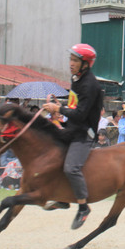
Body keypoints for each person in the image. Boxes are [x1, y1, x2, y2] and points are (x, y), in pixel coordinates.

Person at [41, 44, 103, 230]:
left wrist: (58, 109)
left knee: (71, 168)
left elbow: (81, 114)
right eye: (71, 59)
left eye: (75, 60)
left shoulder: (90, 84)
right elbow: (74, 106)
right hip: (72, 128)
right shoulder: (77, 79)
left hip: (84, 134)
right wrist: (60, 107)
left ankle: (83, 207)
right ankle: (63, 198)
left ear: (86, 63)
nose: (71, 63)